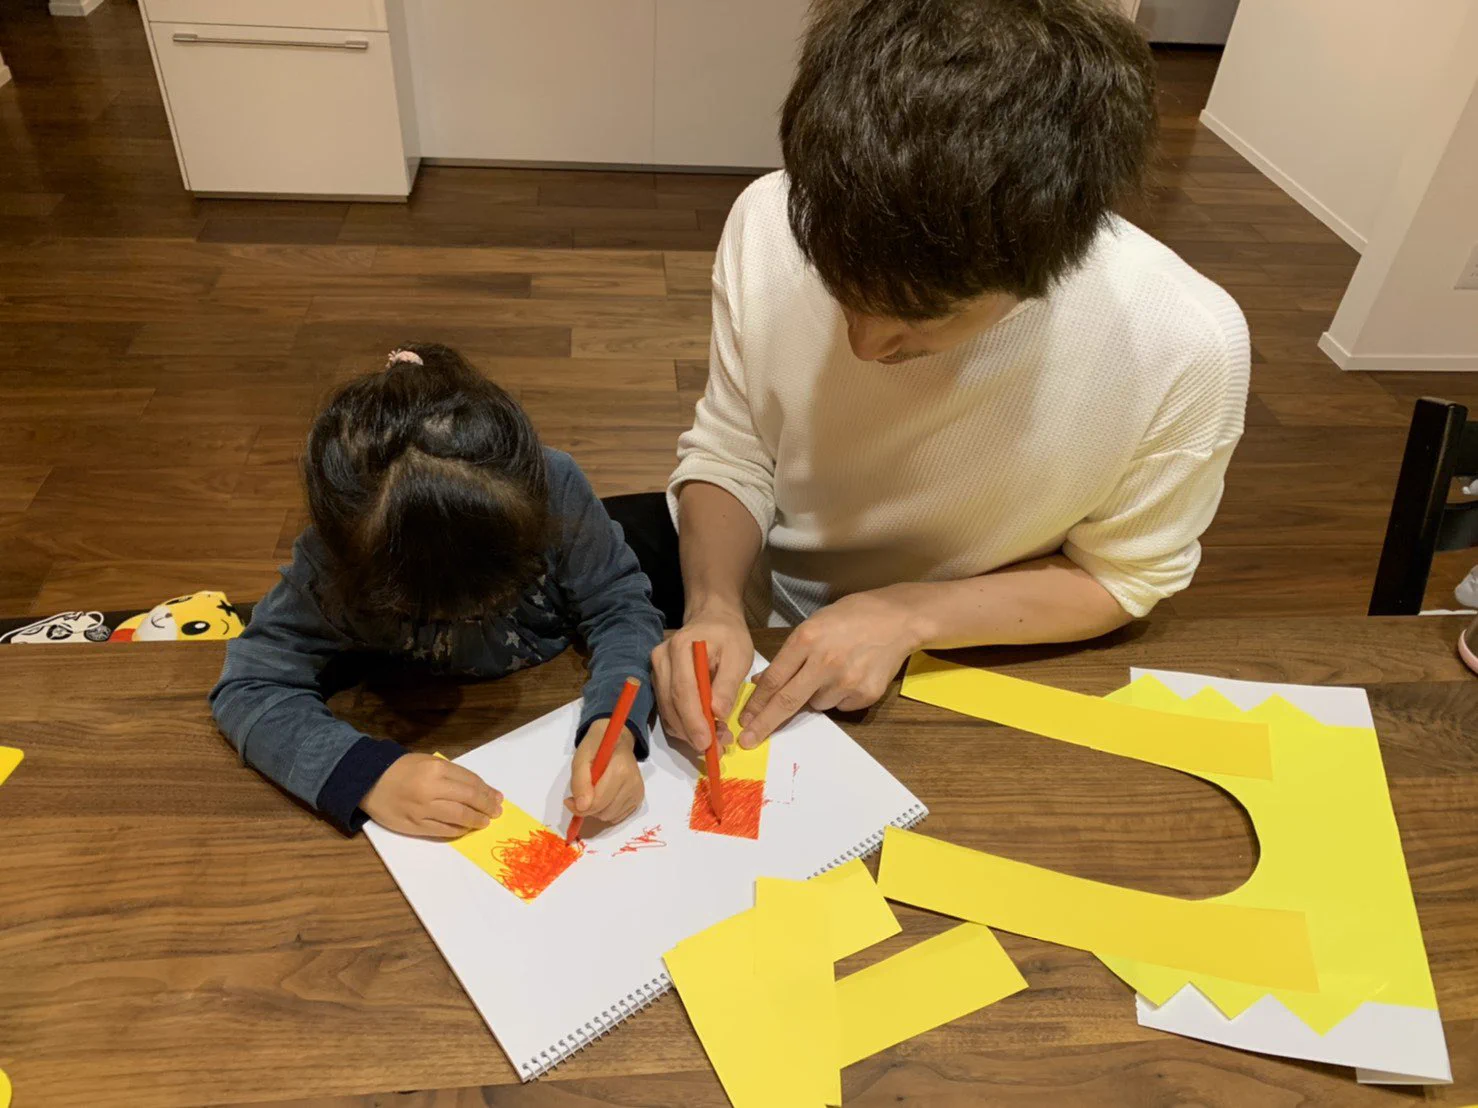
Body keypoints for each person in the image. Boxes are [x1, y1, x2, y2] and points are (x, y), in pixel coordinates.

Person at [612, 0, 1250, 753]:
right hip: (768, 628)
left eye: (922, 319)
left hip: (974, 666)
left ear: (1052, 264)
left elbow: (1124, 579)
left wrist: (909, 616)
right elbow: (734, 448)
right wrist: (714, 604)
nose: (864, 345)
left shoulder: (1184, 346)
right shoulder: (768, 220)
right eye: (840, 290)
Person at [211, 344, 664, 838]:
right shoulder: (331, 558)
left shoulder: (557, 488)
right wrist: (367, 774)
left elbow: (620, 606)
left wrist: (614, 724)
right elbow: (250, 686)